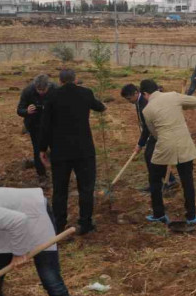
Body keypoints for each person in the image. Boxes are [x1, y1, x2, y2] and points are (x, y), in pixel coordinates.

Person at [39, 69, 106, 235]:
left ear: (60, 81)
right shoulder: (86, 93)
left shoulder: (52, 96)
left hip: (60, 152)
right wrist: (104, 106)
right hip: (84, 151)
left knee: (60, 190)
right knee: (86, 188)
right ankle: (85, 223)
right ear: (76, 79)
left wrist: (42, 148)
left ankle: (59, 225)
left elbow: (45, 125)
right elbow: (99, 107)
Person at [141, 79, 196, 225]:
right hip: (184, 144)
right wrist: (181, 105)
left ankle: (159, 214)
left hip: (164, 145)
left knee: (154, 180)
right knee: (187, 180)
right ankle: (191, 216)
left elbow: (154, 133)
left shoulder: (146, 110)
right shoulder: (173, 96)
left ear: (145, 93)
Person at [120, 84, 176, 192]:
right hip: (153, 132)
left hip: (158, 132)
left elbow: (147, 127)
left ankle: (161, 183)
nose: (129, 101)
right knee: (151, 156)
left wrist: (140, 144)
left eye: (129, 98)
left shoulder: (144, 103)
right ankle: (166, 180)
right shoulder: (138, 101)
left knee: (151, 156)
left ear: (136, 93)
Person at [17, 74, 56, 184]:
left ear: (48, 86)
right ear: (35, 86)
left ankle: (57, 171)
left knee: (56, 148)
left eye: (44, 89)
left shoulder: (55, 89)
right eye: (39, 90)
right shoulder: (28, 91)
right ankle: (42, 174)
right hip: (35, 125)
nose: (41, 92)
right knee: (38, 150)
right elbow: (19, 109)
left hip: (53, 125)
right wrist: (27, 111)